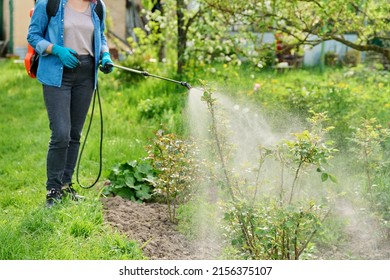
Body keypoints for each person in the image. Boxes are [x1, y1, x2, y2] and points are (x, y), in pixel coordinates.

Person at [27, 0, 113, 207]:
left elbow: (100, 36)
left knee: (74, 134)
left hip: (85, 75)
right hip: (58, 74)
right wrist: (56, 50)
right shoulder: (50, 4)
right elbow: (33, 36)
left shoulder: (97, 6)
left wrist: (105, 54)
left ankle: (66, 186)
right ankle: (53, 189)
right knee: (61, 133)